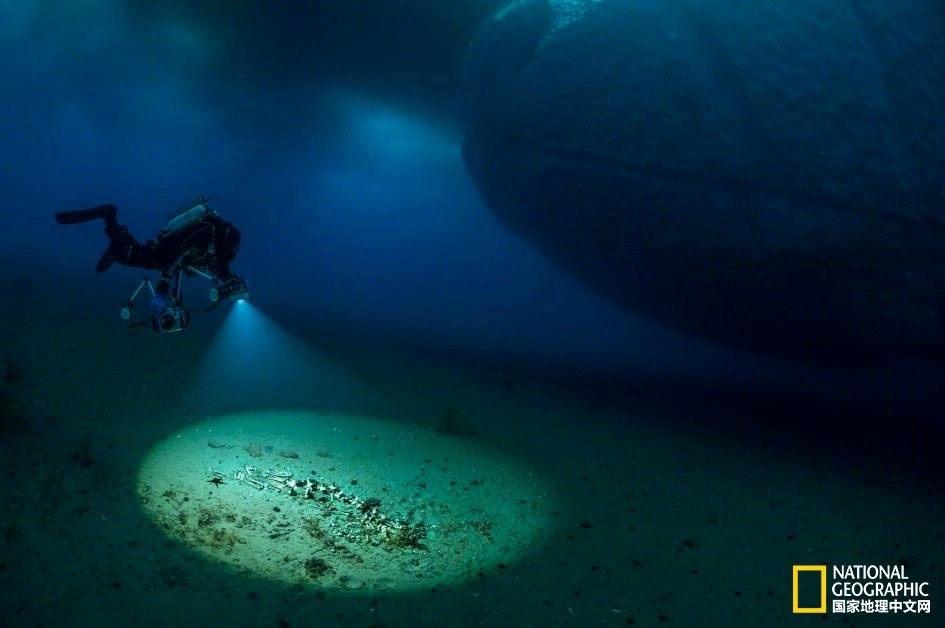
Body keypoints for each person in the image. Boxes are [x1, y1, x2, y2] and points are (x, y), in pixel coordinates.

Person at [54, 198, 248, 313]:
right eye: (232, 249)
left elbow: (215, 266)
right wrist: (163, 290)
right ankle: (109, 216)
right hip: (163, 254)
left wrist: (230, 281)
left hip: (162, 254)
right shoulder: (206, 233)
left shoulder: (213, 247)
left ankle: (121, 240)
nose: (232, 253)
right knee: (125, 257)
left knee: (135, 255)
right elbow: (179, 258)